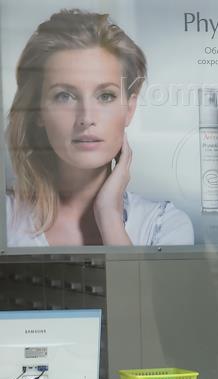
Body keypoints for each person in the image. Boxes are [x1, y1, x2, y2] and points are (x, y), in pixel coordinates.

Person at [5, 9, 194, 247]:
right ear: (38, 110)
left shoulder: (164, 225)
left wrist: (109, 215)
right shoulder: (6, 219)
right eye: (64, 96)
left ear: (129, 108)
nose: (86, 118)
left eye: (105, 96)